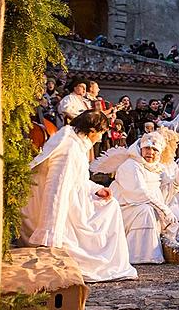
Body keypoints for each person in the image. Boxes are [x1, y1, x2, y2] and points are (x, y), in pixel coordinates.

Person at [20, 110, 137, 282]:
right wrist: (50, 235)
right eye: (101, 133)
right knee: (109, 210)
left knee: (110, 204)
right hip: (61, 210)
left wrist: (96, 189)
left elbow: (78, 179)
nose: (100, 138)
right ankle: (100, 262)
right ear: (91, 131)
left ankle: (107, 261)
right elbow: (56, 189)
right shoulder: (69, 148)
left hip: (74, 198)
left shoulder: (74, 142)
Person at [110, 131, 177, 264]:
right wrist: (163, 210)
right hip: (124, 207)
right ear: (140, 148)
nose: (150, 152)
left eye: (154, 149)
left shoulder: (156, 168)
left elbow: (163, 188)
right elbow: (139, 192)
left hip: (144, 204)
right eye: (147, 148)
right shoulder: (131, 165)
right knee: (144, 211)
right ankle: (138, 255)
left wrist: (178, 181)